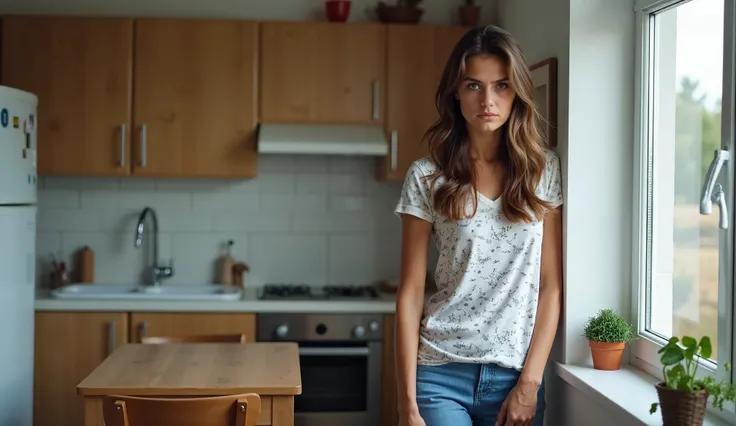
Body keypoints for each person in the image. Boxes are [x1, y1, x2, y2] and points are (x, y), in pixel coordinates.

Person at [393, 24, 564, 426]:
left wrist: (530, 384)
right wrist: (406, 406)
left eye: (501, 85)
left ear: (517, 91)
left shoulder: (543, 171)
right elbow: (410, 292)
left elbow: (550, 285)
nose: (488, 100)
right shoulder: (427, 176)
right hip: (438, 374)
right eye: (474, 85)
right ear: (456, 91)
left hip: (515, 378)